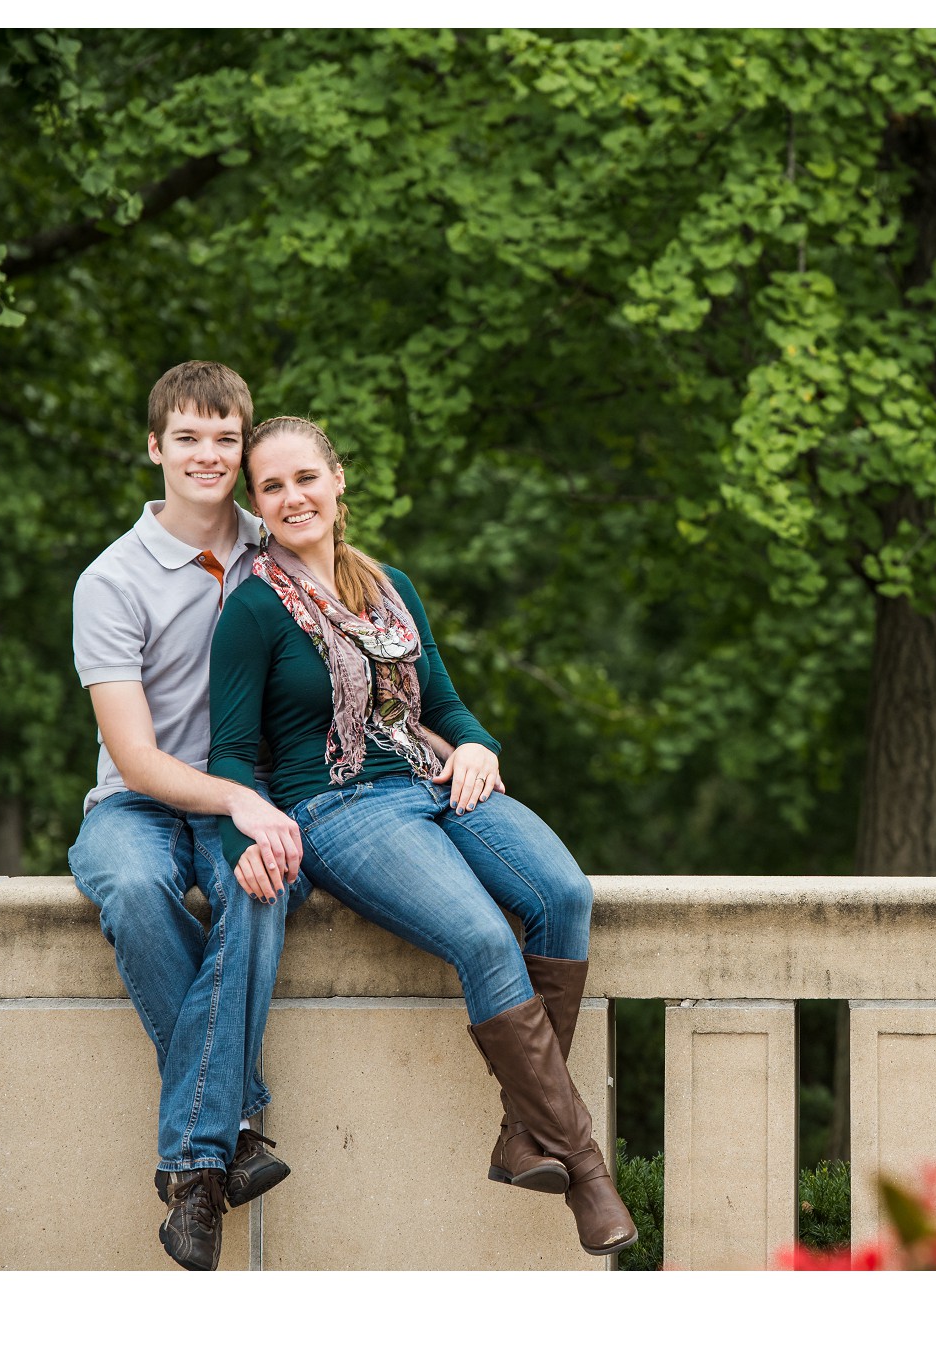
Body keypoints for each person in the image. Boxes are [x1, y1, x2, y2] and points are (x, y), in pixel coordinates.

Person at [207, 415, 636, 1258]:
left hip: (432, 780)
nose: (293, 497)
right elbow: (229, 755)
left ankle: (524, 1137)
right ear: (257, 505)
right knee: (481, 936)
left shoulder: (388, 585)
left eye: (305, 478)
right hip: (336, 808)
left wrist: (477, 744)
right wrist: (244, 843)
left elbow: (442, 706)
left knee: (563, 894)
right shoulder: (252, 608)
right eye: (272, 487)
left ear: (337, 482)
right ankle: (586, 1167)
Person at [67, 362, 306, 1271]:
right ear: (156, 447)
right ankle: (236, 1120)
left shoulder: (277, 544)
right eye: (189, 438)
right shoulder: (111, 580)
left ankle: (192, 1171)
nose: (209, 455)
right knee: (129, 883)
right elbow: (135, 757)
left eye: (226, 438)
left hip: (248, 789)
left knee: (259, 883)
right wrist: (241, 798)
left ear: (244, 448)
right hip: (140, 799)